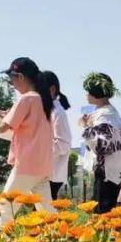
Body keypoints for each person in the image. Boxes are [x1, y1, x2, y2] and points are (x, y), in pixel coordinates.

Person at [0, 57, 55, 225]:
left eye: (11, 79)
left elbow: (2, 127)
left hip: (26, 165)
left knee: (4, 209)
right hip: (42, 164)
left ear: (21, 77)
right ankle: (62, 238)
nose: (11, 84)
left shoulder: (26, 99)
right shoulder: (42, 100)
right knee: (47, 211)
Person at [79, 72, 121, 214]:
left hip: (107, 172)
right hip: (114, 170)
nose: (86, 95)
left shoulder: (104, 115)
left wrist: (86, 127)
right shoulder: (111, 112)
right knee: (104, 211)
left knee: (102, 213)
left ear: (95, 93)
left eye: (88, 91)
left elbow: (103, 145)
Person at [43, 71, 73, 200]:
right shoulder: (50, 111)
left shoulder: (58, 113)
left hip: (52, 174)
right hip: (47, 173)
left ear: (52, 89)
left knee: (43, 214)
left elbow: (63, 145)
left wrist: (40, 152)